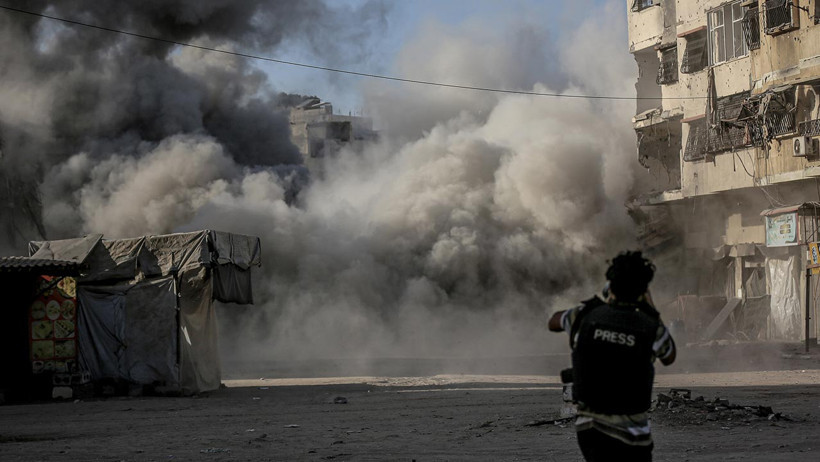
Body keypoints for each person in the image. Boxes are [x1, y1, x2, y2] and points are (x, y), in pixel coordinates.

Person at [548, 250, 676, 462]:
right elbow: (669, 355)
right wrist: (650, 309)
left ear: (609, 284)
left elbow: (553, 321)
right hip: (633, 434)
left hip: (590, 429)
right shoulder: (650, 327)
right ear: (643, 291)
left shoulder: (584, 315)